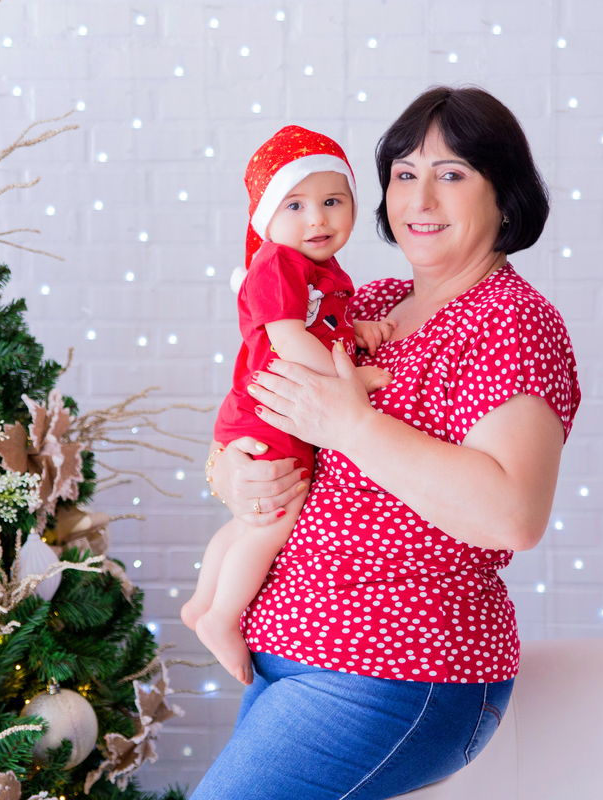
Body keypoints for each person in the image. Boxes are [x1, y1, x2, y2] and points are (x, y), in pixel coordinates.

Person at [192, 86, 581, 800]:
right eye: (405, 173)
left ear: (506, 196)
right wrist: (230, 473)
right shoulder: (363, 306)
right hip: (290, 653)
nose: (420, 198)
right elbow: (263, 409)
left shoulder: (512, 323)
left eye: (451, 173)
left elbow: (513, 516)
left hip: (398, 670)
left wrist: (354, 425)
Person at [181, 125, 395, 685]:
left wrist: (358, 330)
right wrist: (353, 377)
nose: (317, 218)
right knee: (274, 523)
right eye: (295, 205)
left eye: (333, 201)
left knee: (250, 520)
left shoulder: (323, 270)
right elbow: (289, 338)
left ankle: (202, 602)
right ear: (265, 218)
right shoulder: (277, 263)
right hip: (269, 412)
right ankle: (223, 618)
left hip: (265, 411)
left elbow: (322, 323)